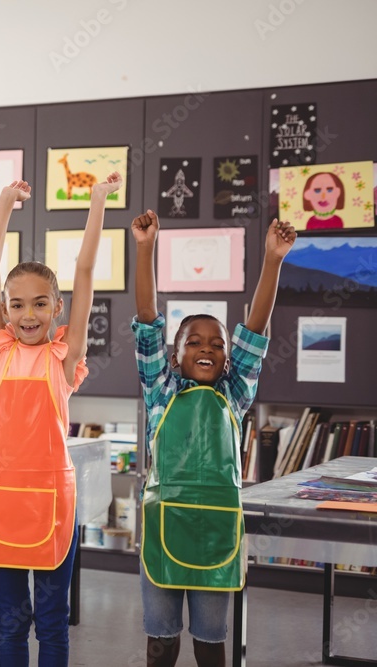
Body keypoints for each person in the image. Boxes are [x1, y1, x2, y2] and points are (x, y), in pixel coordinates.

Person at [132, 210, 295, 667]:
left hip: (217, 531)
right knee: (161, 641)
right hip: (164, 526)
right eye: (194, 341)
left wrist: (273, 260)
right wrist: (146, 249)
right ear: (174, 353)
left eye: (217, 343)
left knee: (211, 642)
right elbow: (147, 320)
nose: (207, 347)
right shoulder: (159, 390)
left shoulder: (235, 393)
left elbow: (257, 328)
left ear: (227, 359)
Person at [0, 174, 122, 666]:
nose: (28, 313)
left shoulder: (64, 358)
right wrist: (4, 205)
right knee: (12, 622)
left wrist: (98, 202)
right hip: (2, 503)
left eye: (41, 303)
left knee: (53, 622)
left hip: (54, 507)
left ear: (57, 309)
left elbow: (84, 271)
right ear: (5, 310)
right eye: (17, 304)